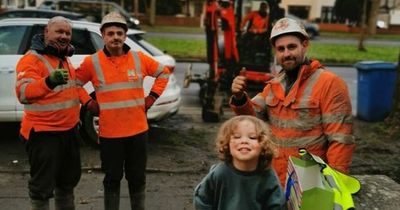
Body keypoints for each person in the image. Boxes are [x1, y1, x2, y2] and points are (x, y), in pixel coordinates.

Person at [230, 17, 356, 187]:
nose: (286, 54)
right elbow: (252, 120)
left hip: (310, 183)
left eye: (292, 47)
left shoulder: (330, 84)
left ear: (305, 45)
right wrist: (239, 98)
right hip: (275, 179)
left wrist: (334, 186)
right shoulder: (274, 85)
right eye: (280, 49)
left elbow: (340, 140)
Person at [75, 12, 170, 210]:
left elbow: (163, 73)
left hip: (138, 132)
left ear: (125, 36)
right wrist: (88, 103)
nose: (115, 37)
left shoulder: (139, 58)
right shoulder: (92, 62)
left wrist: (151, 98)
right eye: (111, 33)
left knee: (137, 178)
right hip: (110, 134)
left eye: (119, 33)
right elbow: (74, 83)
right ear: (103, 35)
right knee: (112, 179)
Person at [15, 16, 96, 210]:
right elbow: (24, 93)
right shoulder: (32, 59)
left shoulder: (63, 58)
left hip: (68, 133)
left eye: (67, 33)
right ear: (46, 32)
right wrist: (48, 81)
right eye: (59, 32)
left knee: (67, 184)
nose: (64, 36)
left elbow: (73, 88)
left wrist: (89, 102)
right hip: (44, 135)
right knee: (41, 189)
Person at [193, 115, 286, 210]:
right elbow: (202, 200)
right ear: (227, 144)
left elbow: (277, 205)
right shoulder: (220, 173)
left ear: (264, 145)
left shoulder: (268, 176)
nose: (244, 141)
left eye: (252, 137)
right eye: (237, 137)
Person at [239, 1, 270, 65]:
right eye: (262, 7)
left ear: (266, 8)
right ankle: (242, 56)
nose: (263, 8)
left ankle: (253, 57)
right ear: (260, 7)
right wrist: (241, 27)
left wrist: (258, 31)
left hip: (261, 34)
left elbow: (267, 28)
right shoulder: (254, 13)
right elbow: (245, 19)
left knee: (255, 41)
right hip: (251, 32)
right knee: (242, 39)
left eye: (264, 7)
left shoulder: (267, 16)